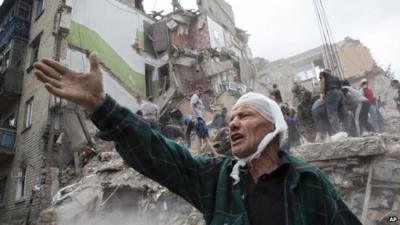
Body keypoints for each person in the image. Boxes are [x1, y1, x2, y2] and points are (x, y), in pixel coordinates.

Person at [33, 53, 361, 225]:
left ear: (273, 127)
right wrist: (101, 106)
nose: (232, 124)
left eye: (244, 116)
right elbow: (157, 153)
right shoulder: (215, 180)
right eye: (230, 117)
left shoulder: (310, 184)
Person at [319, 69, 347, 134]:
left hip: (331, 93)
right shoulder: (336, 78)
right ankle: (347, 131)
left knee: (332, 113)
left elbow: (322, 82)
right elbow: (341, 87)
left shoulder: (323, 74)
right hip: (340, 93)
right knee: (342, 114)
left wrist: (321, 95)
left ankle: (338, 133)